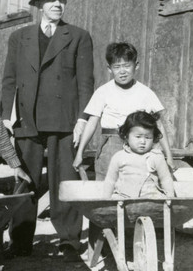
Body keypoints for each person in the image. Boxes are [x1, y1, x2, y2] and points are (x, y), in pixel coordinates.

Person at [1, 0, 94, 260]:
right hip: (27, 119)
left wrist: (82, 120)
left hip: (64, 121)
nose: (58, 4)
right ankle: (20, 242)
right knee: (25, 179)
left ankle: (68, 241)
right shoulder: (19, 37)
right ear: (39, 4)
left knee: (64, 179)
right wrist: (7, 116)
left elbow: (85, 82)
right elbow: (9, 79)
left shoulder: (78, 36)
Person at [73, 42, 175, 180]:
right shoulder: (103, 92)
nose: (122, 71)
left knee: (138, 186)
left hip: (139, 147)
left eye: (127, 66)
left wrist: (168, 156)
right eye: (117, 67)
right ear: (109, 69)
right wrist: (80, 153)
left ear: (136, 66)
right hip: (110, 147)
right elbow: (92, 123)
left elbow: (159, 126)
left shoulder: (146, 93)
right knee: (107, 189)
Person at [103, 111, 174, 199]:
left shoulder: (156, 157)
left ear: (154, 138)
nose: (143, 142)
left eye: (147, 137)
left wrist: (170, 199)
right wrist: (106, 201)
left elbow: (165, 179)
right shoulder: (119, 157)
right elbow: (110, 180)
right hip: (123, 199)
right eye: (138, 137)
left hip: (151, 200)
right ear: (126, 136)